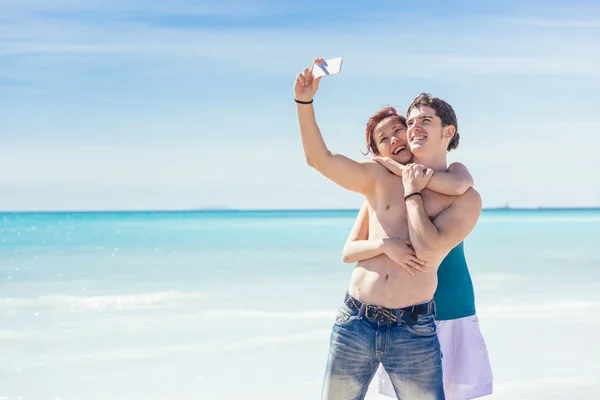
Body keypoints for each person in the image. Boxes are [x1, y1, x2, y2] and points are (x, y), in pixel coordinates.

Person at [294, 58, 482, 400]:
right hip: (355, 319)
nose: (400, 137)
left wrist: (413, 188)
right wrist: (304, 103)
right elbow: (318, 159)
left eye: (402, 129)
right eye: (389, 136)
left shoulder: (456, 187)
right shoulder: (376, 177)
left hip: (414, 327)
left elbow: (428, 249)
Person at [344, 202, 494, 400]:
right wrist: (384, 246)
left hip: (451, 306)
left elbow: (427, 248)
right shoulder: (379, 193)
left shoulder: (451, 194)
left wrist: (412, 192)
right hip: (401, 313)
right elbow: (349, 252)